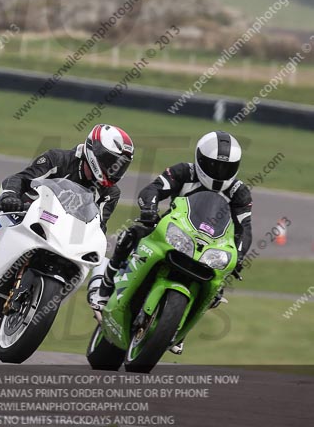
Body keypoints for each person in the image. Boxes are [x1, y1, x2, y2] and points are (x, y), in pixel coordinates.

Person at [88, 130, 252, 355]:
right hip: (175, 232)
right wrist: (149, 210)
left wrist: (239, 256)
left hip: (211, 246)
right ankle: (106, 285)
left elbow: (245, 229)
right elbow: (152, 190)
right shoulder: (184, 172)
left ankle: (177, 328)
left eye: (226, 168)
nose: (220, 172)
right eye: (214, 165)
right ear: (201, 160)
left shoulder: (239, 192)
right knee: (133, 232)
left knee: (218, 288)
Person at [0, 124, 135, 285]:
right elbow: (20, 179)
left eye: (120, 166)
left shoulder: (110, 193)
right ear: (93, 150)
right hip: (26, 211)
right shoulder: (58, 159)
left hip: (63, 234)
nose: (114, 169)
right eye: (110, 161)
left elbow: (99, 225)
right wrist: (10, 196)